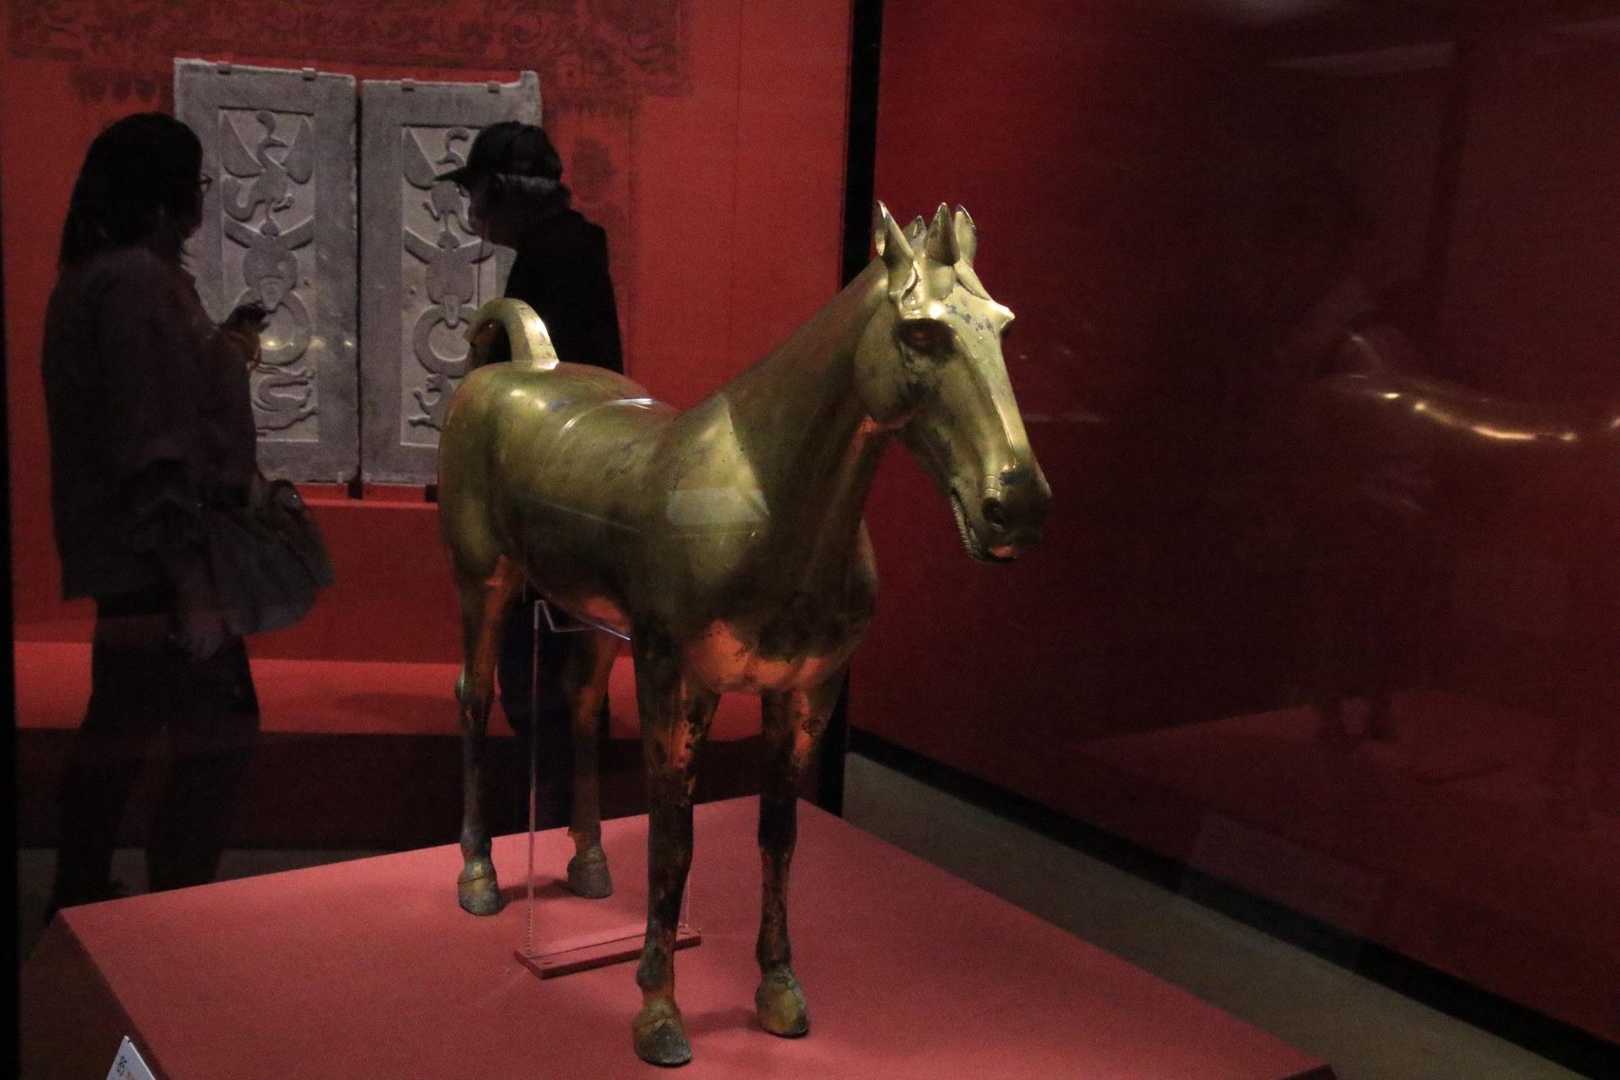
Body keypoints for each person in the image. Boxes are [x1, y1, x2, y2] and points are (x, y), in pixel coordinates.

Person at [43, 113, 269, 917]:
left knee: (120, 729)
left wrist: (222, 352)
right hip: (160, 562)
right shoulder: (139, 285)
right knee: (217, 735)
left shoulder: (95, 278)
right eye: (197, 182)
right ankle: (171, 914)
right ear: (170, 195)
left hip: (128, 555)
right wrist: (193, 585)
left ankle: (81, 897)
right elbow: (154, 444)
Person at [443, 121, 624, 818]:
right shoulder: (565, 250)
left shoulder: (553, 258)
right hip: (572, 478)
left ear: (501, 190)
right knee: (560, 682)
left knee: (545, 680)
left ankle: (560, 824)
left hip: (552, 490)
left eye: (477, 191)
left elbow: (536, 388)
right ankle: (566, 820)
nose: (473, 208)